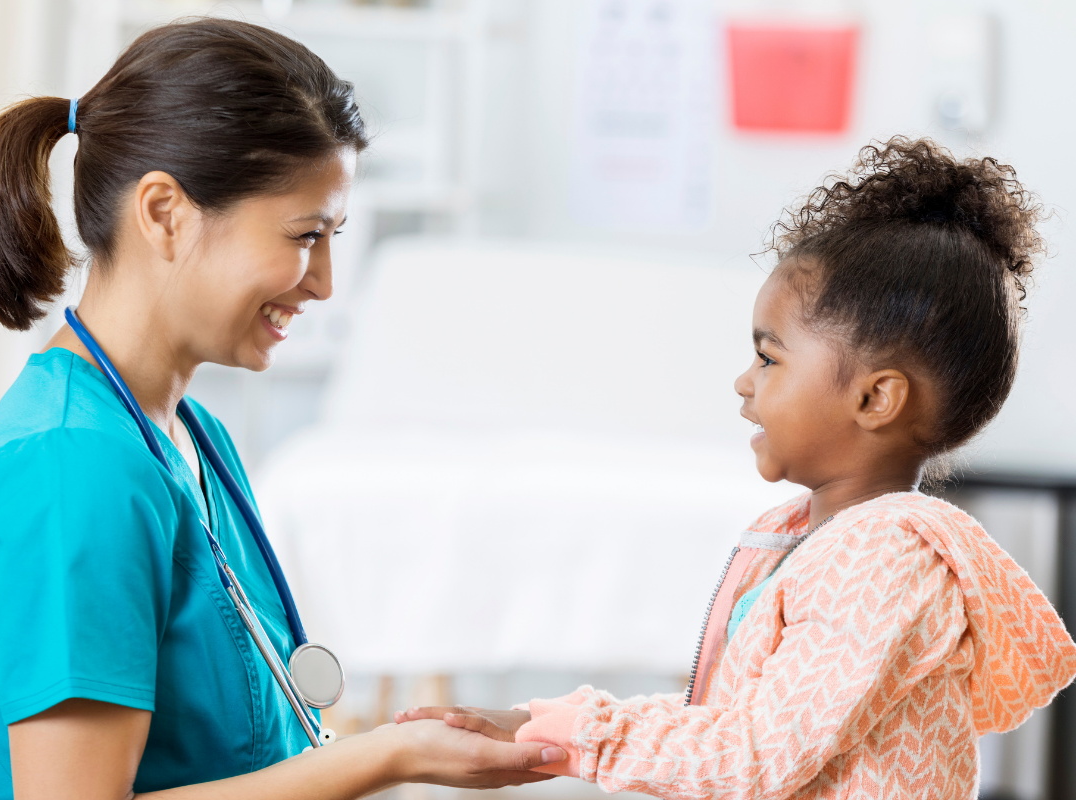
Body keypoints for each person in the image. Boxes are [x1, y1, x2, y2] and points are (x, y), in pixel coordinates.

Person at [0, 18, 565, 800]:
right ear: (164, 212)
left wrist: (394, 743)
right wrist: (386, 760)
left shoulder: (191, 436)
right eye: (305, 235)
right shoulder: (69, 468)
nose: (324, 280)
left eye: (333, 235)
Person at [396, 138, 1076, 798]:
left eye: (770, 359)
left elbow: (756, 757)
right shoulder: (807, 536)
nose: (743, 384)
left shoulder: (884, 560)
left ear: (875, 397)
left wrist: (581, 740)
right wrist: (537, 726)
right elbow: (733, 722)